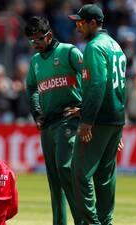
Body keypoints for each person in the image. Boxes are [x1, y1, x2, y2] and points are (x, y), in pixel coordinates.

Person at [68, 4, 126, 225]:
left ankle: (92, 223)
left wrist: (87, 120)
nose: (77, 26)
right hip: (115, 118)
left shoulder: (94, 47)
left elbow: (98, 84)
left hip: (99, 120)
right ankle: (106, 221)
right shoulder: (115, 46)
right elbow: (118, 86)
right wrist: (118, 123)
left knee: (79, 172)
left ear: (94, 23)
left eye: (81, 22)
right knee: (104, 176)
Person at [24, 16, 84, 225]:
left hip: (68, 119)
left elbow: (89, 76)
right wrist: (36, 112)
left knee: (64, 167)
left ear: (49, 35)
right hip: (47, 124)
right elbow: (31, 88)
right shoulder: (35, 62)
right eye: (31, 41)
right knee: (54, 180)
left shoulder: (69, 52)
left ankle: (83, 220)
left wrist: (85, 108)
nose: (35, 44)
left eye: (38, 40)